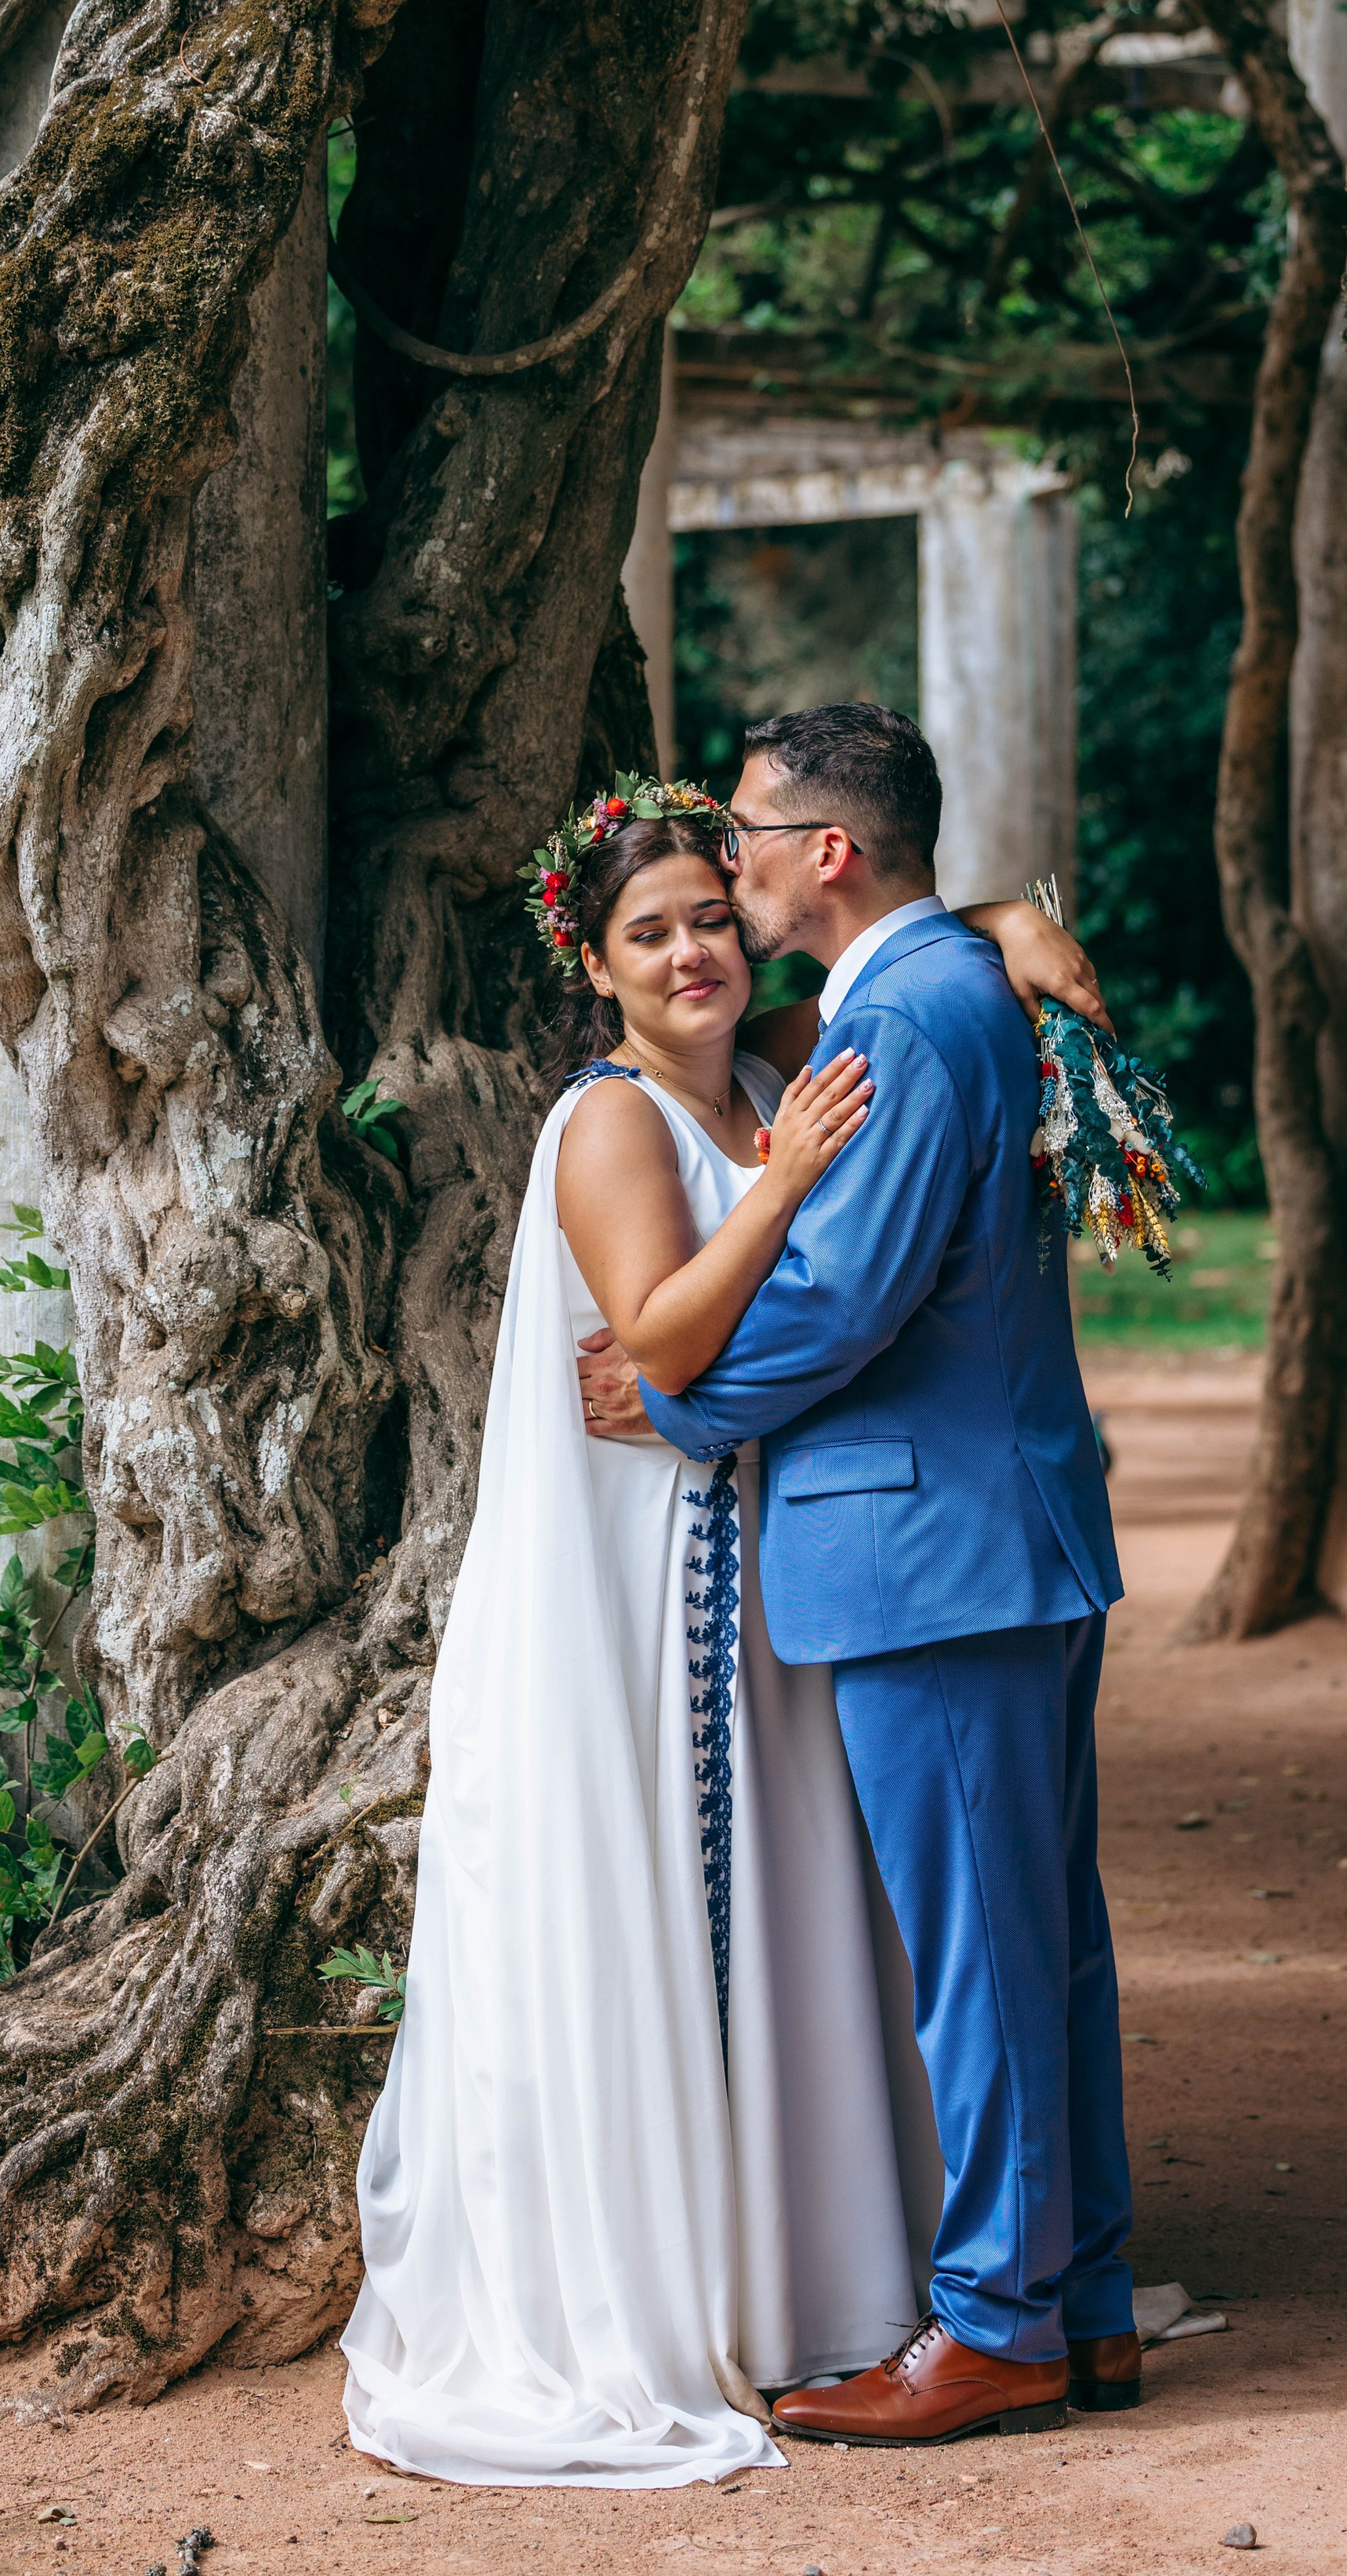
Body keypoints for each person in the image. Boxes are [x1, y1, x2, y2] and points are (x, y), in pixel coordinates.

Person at [339, 768, 1100, 2487]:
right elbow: (663, 1343)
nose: (692, 947)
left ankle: (831, 2260)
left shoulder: (778, 1068)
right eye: (649, 930)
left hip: (772, 1553)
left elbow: (886, 937)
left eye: (707, 912)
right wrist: (775, 1182)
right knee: (681, 1895)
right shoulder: (604, 1122)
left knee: (808, 1906)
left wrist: (1000, 916)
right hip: (645, 1564)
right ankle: (721, 2277)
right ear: (591, 966)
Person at [623, 705, 1142, 2447]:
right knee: (1039, 1942)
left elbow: (845, 1298)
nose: (732, 858)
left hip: (936, 1550)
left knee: (990, 1956)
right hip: (991, 1533)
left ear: (827, 853)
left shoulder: (908, 1018)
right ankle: (1077, 2302)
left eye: (752, 833)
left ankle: (998, 2322)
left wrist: (678, 1395)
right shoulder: (940, 984)